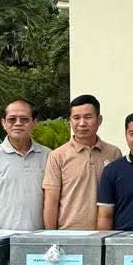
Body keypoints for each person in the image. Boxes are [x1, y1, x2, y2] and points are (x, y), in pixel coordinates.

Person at [42, 94, 122, 230]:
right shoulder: (57, 156)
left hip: (105, 232)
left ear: (99, 120)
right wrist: (50, 235)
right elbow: (51, 201)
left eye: (88, 117)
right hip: (68, 233)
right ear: (70, 121)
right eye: (76, 118)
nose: (82, 123)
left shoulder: (114, 153)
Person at [0, 99, 51, 232]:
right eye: (12, 119)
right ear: (3, 123)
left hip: (39, 237)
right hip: (2, 237)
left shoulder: (48, 156)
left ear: (34, 123)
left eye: (24, 119)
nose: (18, 123)